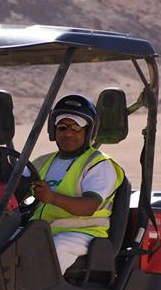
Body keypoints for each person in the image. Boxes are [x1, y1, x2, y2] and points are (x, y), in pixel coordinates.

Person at [27, 94, 124, 274]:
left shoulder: (98, 164)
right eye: (62, 127)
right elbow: (15, 189)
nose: (68, 133)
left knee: (54, 249)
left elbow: (89, 207)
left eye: (76, 128)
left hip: (82, 233)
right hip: (43, 230)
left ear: (89, 131)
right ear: (53, 130)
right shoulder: (41, 162)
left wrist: (52, 197)